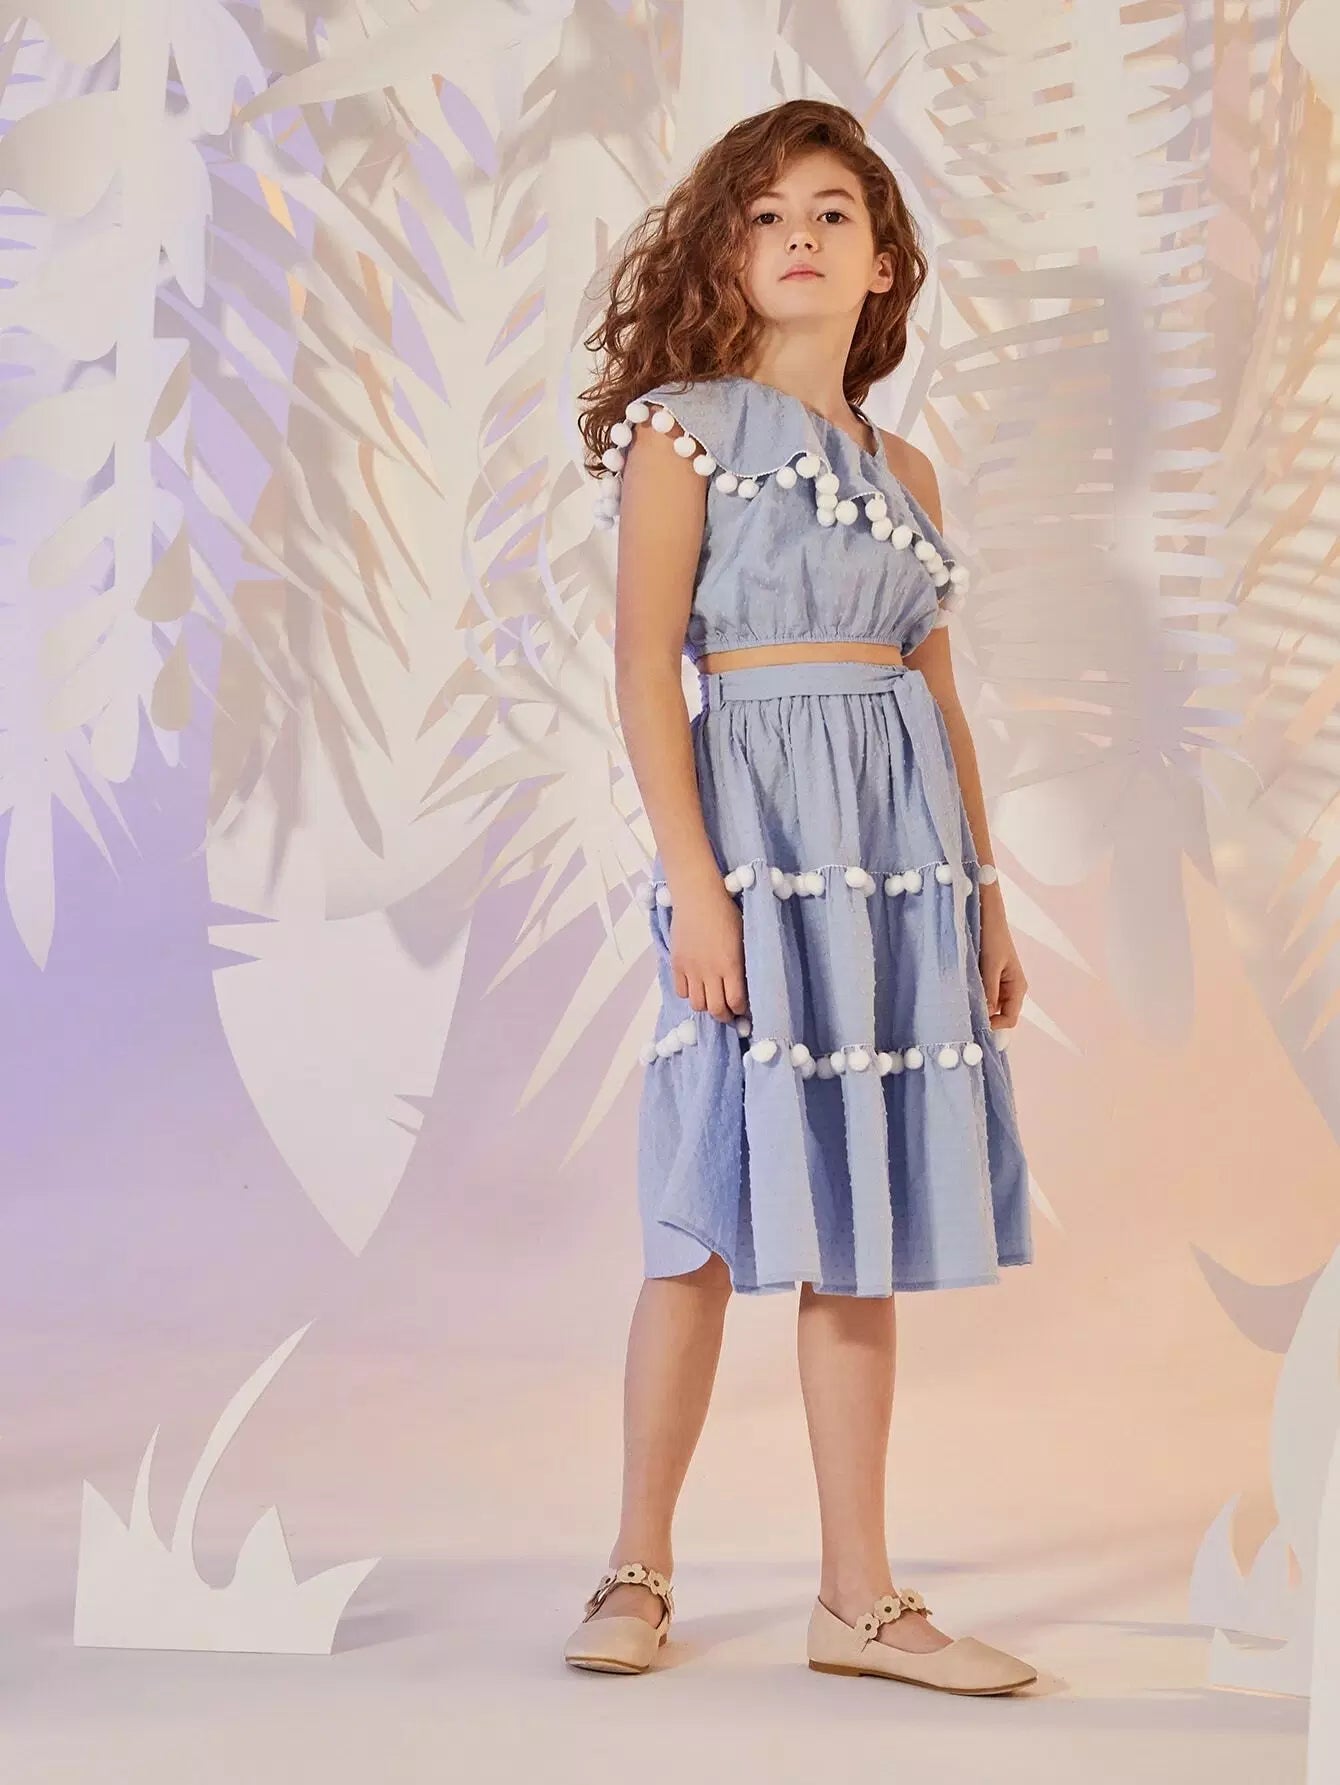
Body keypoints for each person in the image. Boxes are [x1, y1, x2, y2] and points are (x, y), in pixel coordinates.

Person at [564, 100, 1037, 1694]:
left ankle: (860, 1598)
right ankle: (636, 1564)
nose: (802, 237)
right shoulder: (684, 431)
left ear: (884, 259)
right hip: (755, 853)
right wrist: (694, 886)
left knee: (859, 1219)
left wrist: (985, 899)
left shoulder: (907, 469)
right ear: (727, 252)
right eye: (767, 215)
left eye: (834, 212)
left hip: (898, 866)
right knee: (701, 1206)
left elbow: (938, 695)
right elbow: (645, 667)